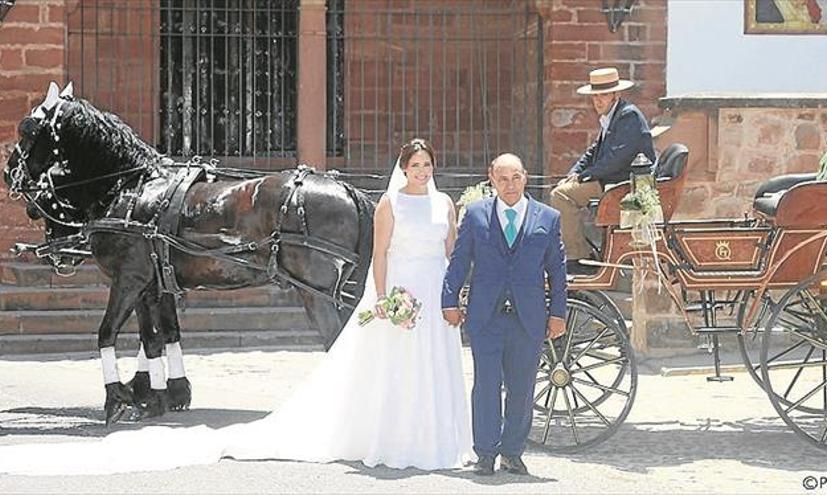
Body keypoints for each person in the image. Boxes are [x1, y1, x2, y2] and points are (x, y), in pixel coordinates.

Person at [0, 138, 475, 475]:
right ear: (405, 168)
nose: (422, 172)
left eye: (427, 167)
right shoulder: (391, 205)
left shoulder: (443, 204)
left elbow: (449, 247)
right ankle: (165, 382)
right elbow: (382, 255)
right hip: (407, 286)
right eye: (416, 166)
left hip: (430, 285)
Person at [442, 153, 567, 476]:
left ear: (525, 177)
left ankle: (513, 451)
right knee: (485, 385)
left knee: (522, 387)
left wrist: (558, 314)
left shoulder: (548, 218)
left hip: (528, 317)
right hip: (486, 316)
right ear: (491, 179)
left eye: (515, 178)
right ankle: (485, 453)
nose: (509, 185)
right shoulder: (476, 214)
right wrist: (449, 300)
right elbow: (459, 261)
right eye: (502, 179)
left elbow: (557, 270)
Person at [550, 67, 655, 274]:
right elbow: (593, 152)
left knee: (560, 195)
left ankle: (578, 256)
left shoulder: (628, 116)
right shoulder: (613, 116)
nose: (598, 101)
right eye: (595, 96)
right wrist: (575, 172)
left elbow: (617, 158)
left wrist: (583, 176)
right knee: (564, 188)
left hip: (622, 183)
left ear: (616, 95)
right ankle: (583, 252)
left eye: (603, 95)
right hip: (610, 179)